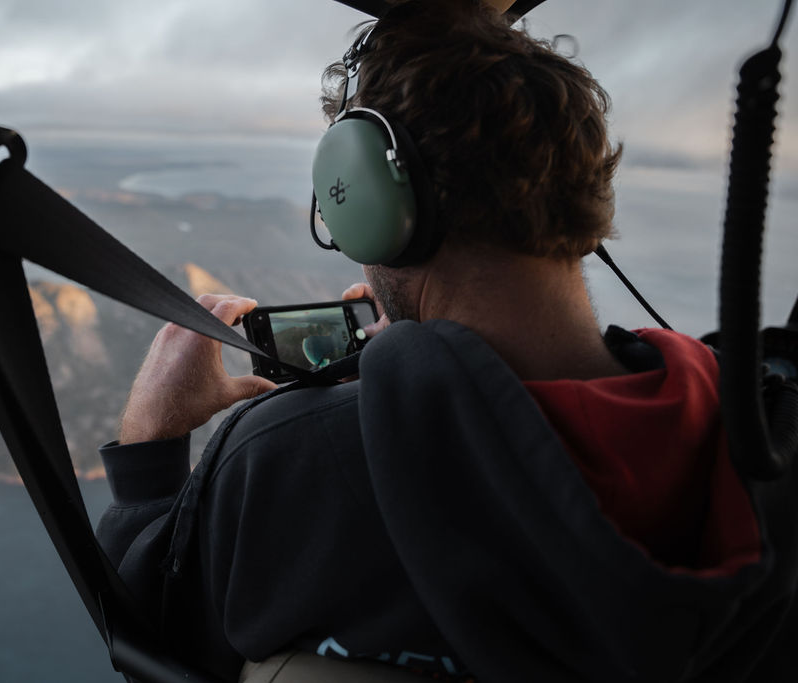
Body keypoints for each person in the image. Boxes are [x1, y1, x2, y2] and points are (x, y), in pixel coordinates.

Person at [96, 1, 794, 681]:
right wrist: (429, 372)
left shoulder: (290, 459)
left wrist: (149, 450)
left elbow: (147, 631)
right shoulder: (765, 432)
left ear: (370, 210)